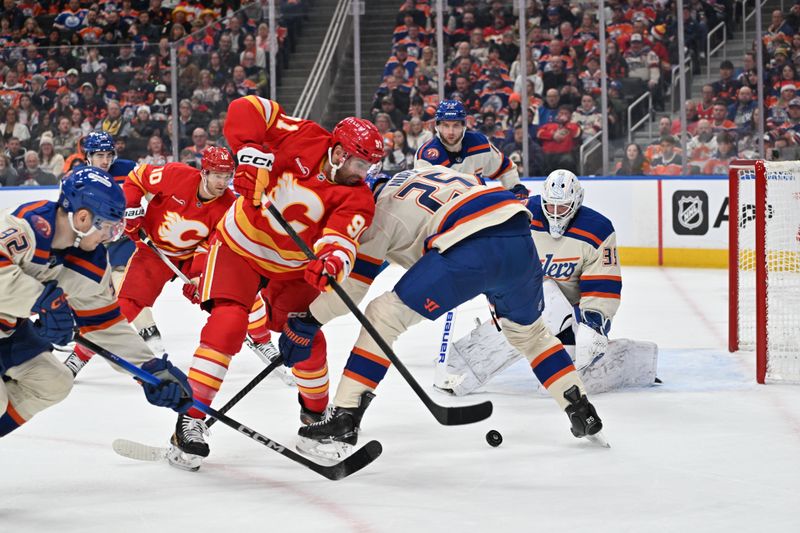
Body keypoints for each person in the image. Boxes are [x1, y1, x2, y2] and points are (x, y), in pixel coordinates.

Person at [281, 166, 605, 460]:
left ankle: (345, 417)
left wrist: (309, 321)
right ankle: (580, 409)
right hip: (518, 236)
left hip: (467, 250)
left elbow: (350, 291)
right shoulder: (427, 171)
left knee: (382, 315)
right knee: (532, 335)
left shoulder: (375, 214)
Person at [164, 96, 385, 470]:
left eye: (368, 165)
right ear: (337, 151)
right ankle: (191, 418)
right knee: (227, 325)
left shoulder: (358, 196)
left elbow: (342, 238)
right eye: (359, 162)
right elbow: (247, 107)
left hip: (292, 269)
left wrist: (331, 262)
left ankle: (315, 418)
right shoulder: (305, 135)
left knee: (305, 338)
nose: (363, 171)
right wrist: (249, 151)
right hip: (239, 246)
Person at [1, 167, 192, 438]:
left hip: (8, 332)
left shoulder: (91, 261)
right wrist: (39, 301)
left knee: (54, 382)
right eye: (107, 226)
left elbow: (105, 324)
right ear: (82, 217)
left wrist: (150, 369)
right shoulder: (27, 225)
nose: (110, 236)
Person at [439, 172, 655, 396]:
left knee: (556, 386)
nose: (554, 213)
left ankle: (632, 362)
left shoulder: (598, 230)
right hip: (524, 301)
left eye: (561, 208)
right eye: (549, 206)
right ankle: (460, 368)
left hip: (572, 314)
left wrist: (594, 322)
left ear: (576, 202)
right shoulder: (521, 215)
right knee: (544, 293)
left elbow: (603, 282)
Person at [65, 148, 237, 377]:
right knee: (123, 308)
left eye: (228, 176)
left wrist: (198, 275)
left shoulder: (229, 205)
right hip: (153, 252)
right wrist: (133, 210)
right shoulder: (176, 175)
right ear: (204, 172)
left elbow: (213, 244)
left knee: (231, 299)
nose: (223, 182)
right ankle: (80, 355)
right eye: (218, 175)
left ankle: (261, 340)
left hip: (191, 258)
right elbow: (136, 178)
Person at [61, 133, 158, 370]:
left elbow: (154, 196)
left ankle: (153, 341)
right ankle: (84, 343)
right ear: (88, 157)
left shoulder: (128, 169)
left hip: (125, 242)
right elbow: (67, 218)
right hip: (95, 243)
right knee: (96, 299)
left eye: (108, 155)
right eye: (99, 156)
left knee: (125, 290)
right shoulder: (76, 179)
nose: (105, 161)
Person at [414, 100, 527, 198]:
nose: (451, 132)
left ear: (464, 125)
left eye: (456, 125)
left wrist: (514, 188)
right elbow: (427, 198)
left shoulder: (480, 143)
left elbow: (505, 169)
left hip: (476, 211)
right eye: (446, 125)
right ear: (437, 126)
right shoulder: (426, 157)